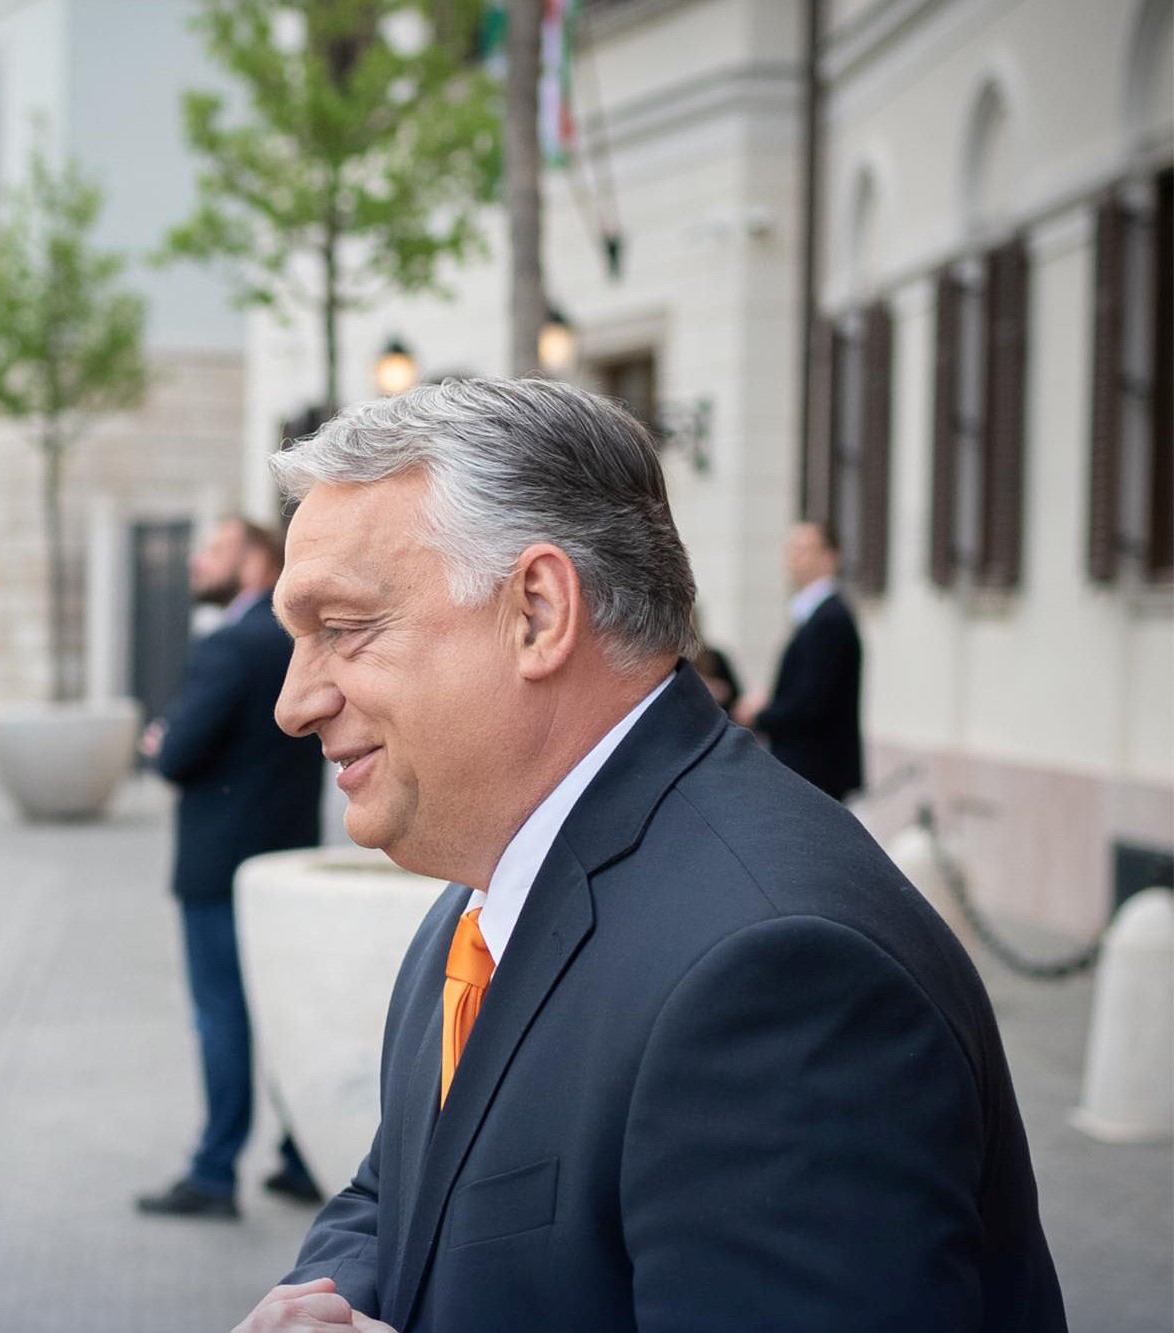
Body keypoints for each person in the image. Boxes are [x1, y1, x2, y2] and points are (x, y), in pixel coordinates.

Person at [235, 378, 1063, 1332]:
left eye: (342, 629)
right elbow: (397, 1200)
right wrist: (319, 1310)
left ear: (538, 611)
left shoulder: (779, 976)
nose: (294, 703)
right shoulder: (492, 888)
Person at [136, 517, 326, 1220]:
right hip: (287, 858)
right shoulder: (301, 641)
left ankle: (214, 1172)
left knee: (222, 1016)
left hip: (219, 868)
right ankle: (303, 1159)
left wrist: (162, 742)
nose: (196, 561)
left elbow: (178, 753)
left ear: (255, 563)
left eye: (214, 550)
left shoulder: (228, 646)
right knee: (281, 1009)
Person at [733, 520, 866, 800]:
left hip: (816, 770)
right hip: (810, 767)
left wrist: (759, 714)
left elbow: (810, 704)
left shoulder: (829, 620)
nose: (793, 557)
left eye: (803, 549)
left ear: (829, 558)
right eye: (791, 548)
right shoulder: (816, 616)